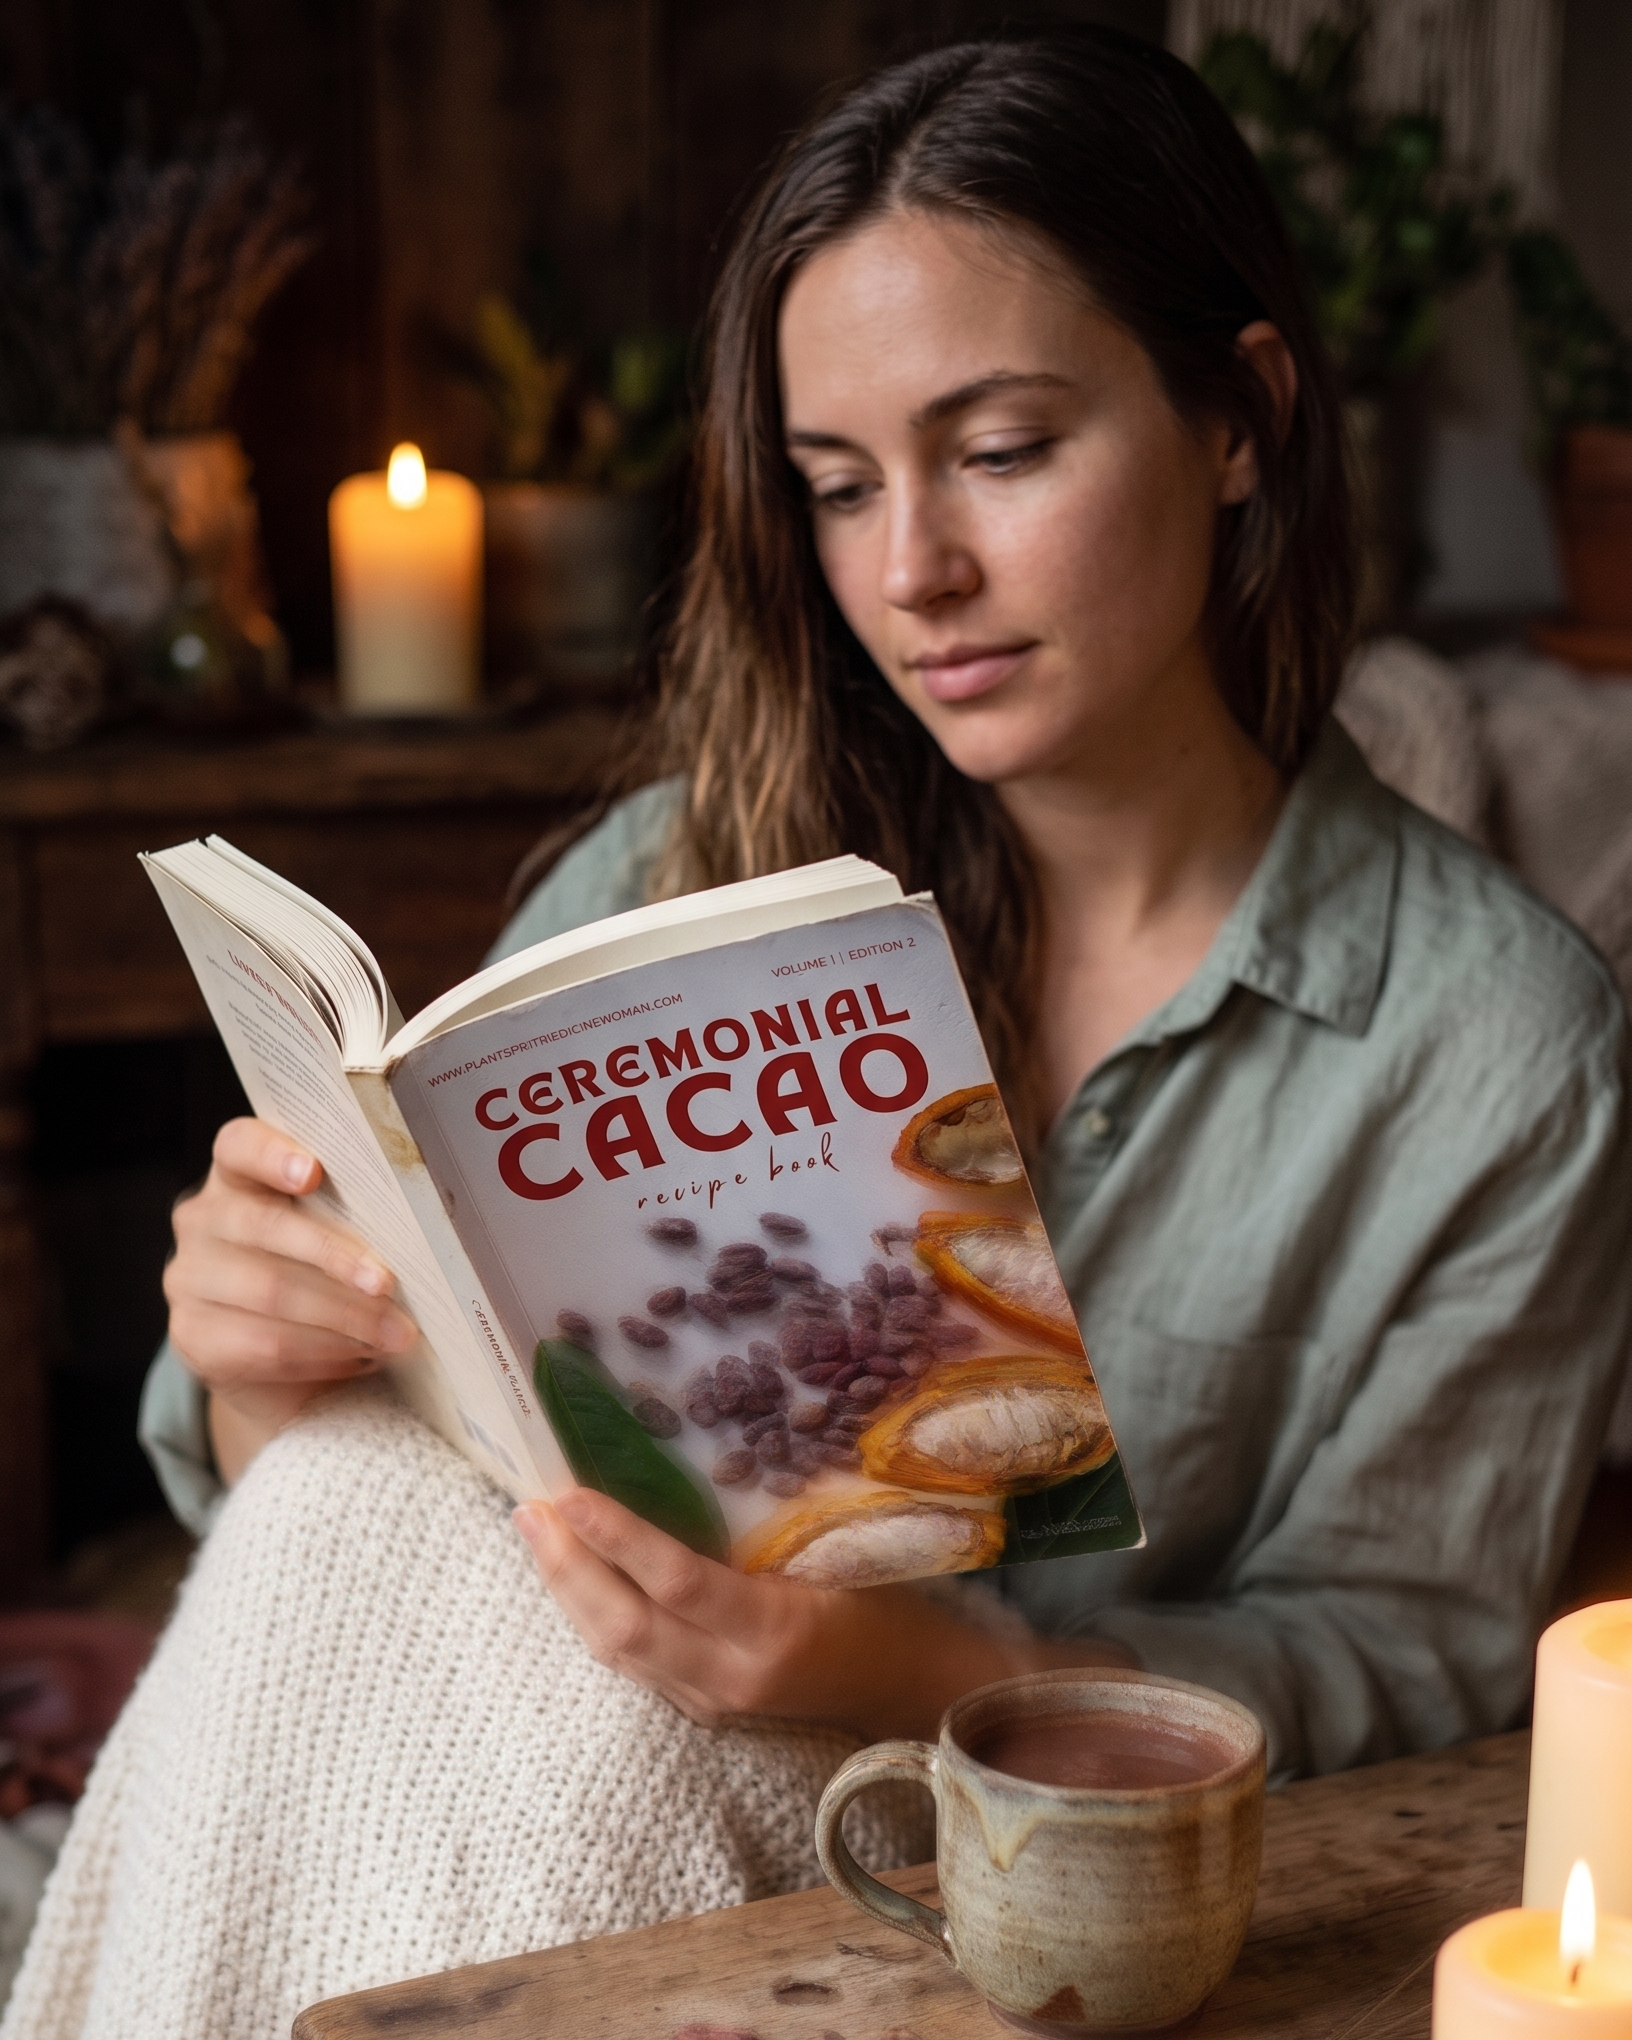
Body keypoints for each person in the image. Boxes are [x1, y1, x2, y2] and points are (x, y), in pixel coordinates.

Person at [9, 27, 1629, 2040]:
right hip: (519, 1766)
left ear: (1242, 417)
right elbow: (345, 1516)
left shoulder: (1494, 1046)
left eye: (1006, 450)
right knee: (349, 1506)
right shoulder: (679, 877)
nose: (909, 572)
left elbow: (1417, 1661)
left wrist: (909, 1669)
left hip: (983, 1857)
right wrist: (271, 1362)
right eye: (837, 485)